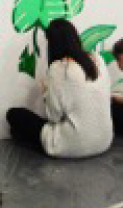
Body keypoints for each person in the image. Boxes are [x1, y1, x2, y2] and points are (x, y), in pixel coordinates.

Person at [6, 19, 113, 158]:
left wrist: (46, 91)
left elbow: (53, 116)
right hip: (104, 141)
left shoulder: (59, 68)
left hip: (75, 145)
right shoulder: (98, 60)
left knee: (14, 114)